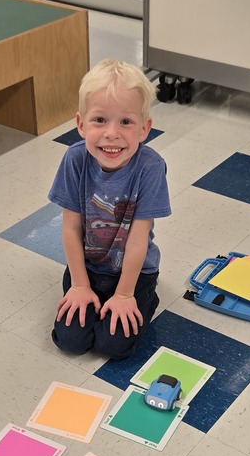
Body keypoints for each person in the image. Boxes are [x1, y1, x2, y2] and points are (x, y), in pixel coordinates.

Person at [49, 58, 171, 359]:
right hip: (88, 269)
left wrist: (126, 294)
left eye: (126, 122)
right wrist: (78, 284)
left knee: (113, 347)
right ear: (80, 124)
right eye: (100, 120)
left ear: (144, 129)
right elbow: (71, 228)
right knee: (70, 342)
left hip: (134, 272)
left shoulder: (150, 167)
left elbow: (138, 238)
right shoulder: (75, 160)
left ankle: (145, 298)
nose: (112, 134)